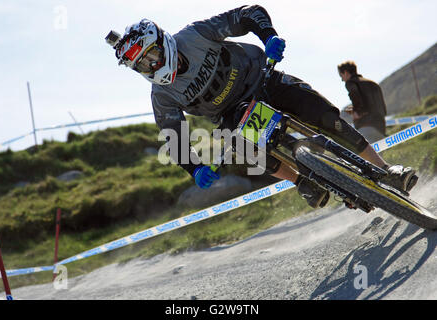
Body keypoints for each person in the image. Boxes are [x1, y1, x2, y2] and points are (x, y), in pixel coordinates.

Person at [106, 5, 418, 208]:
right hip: (231, 114)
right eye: (141, 66)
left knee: (326, 117)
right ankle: (302, 181)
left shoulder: (195, 35)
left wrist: (269, 36)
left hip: (262, 78)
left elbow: (247, 14)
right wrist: (194, 168)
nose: (150, 67)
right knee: (244, 148)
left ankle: (386, 169)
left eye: (150, 57)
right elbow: (173, 135)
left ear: (162, 41)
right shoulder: (161, 96)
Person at [338, 61, 387, 143]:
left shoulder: (351, 83)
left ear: (346, 72)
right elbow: (382, 109)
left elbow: (356, 98)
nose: (342, 80)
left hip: (365, 126)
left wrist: (356, 112)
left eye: (341, 75)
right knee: (378, 154)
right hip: (381, 127)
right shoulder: (373, 83)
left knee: (364, 155)